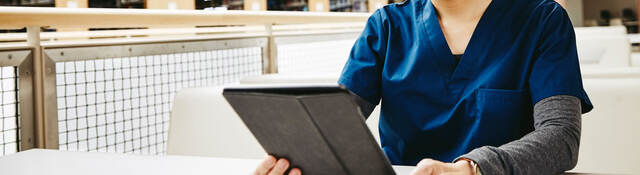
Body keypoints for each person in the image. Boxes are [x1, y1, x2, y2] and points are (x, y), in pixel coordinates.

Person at [254, 0, 593, 174]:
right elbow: (332, 127)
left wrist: (472, 169)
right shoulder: (386, 26)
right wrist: (297, 157)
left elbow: (561, 136)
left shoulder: (542, 21)